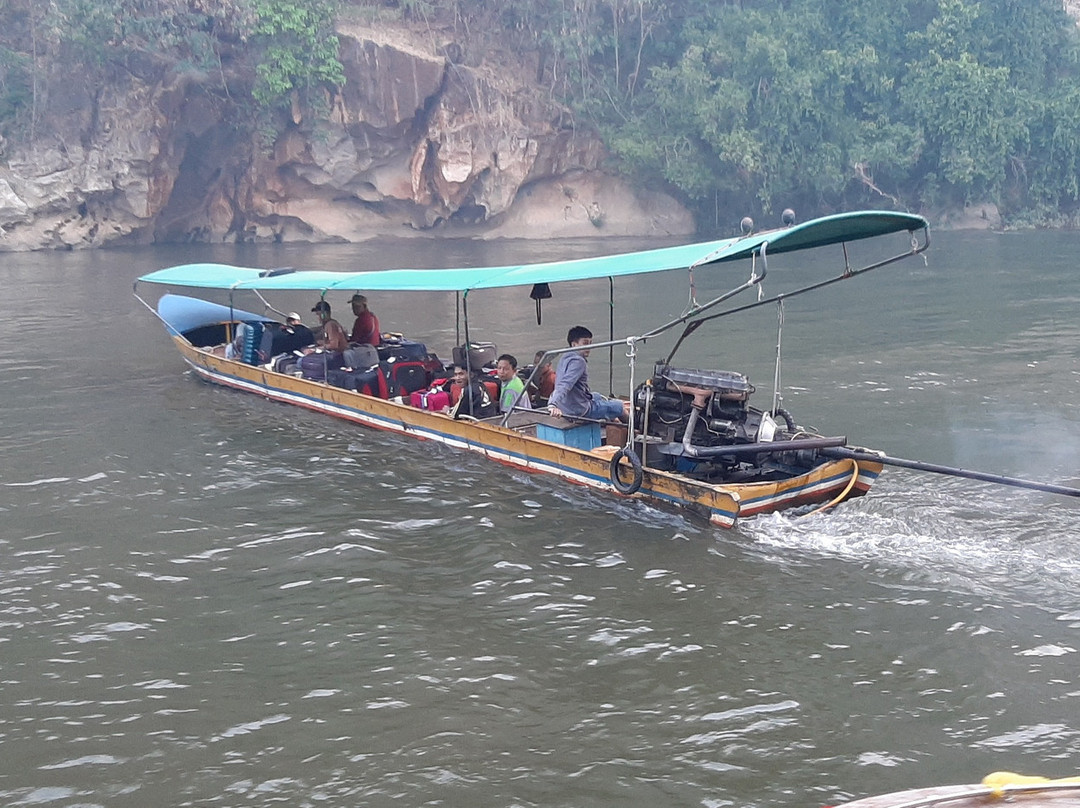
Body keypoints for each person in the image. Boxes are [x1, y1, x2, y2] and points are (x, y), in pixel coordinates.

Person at [548, 325, 631, 422]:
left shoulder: (565, 356)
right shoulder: (578, 362)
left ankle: (613, 421)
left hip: (565, 405)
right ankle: (633, 431)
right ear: (574, 344)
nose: (589, 347)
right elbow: (565, 384)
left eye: (590, 343)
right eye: (585, 343)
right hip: (578, 410)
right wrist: (552, 404)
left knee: (597, 396)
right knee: (619, 406)